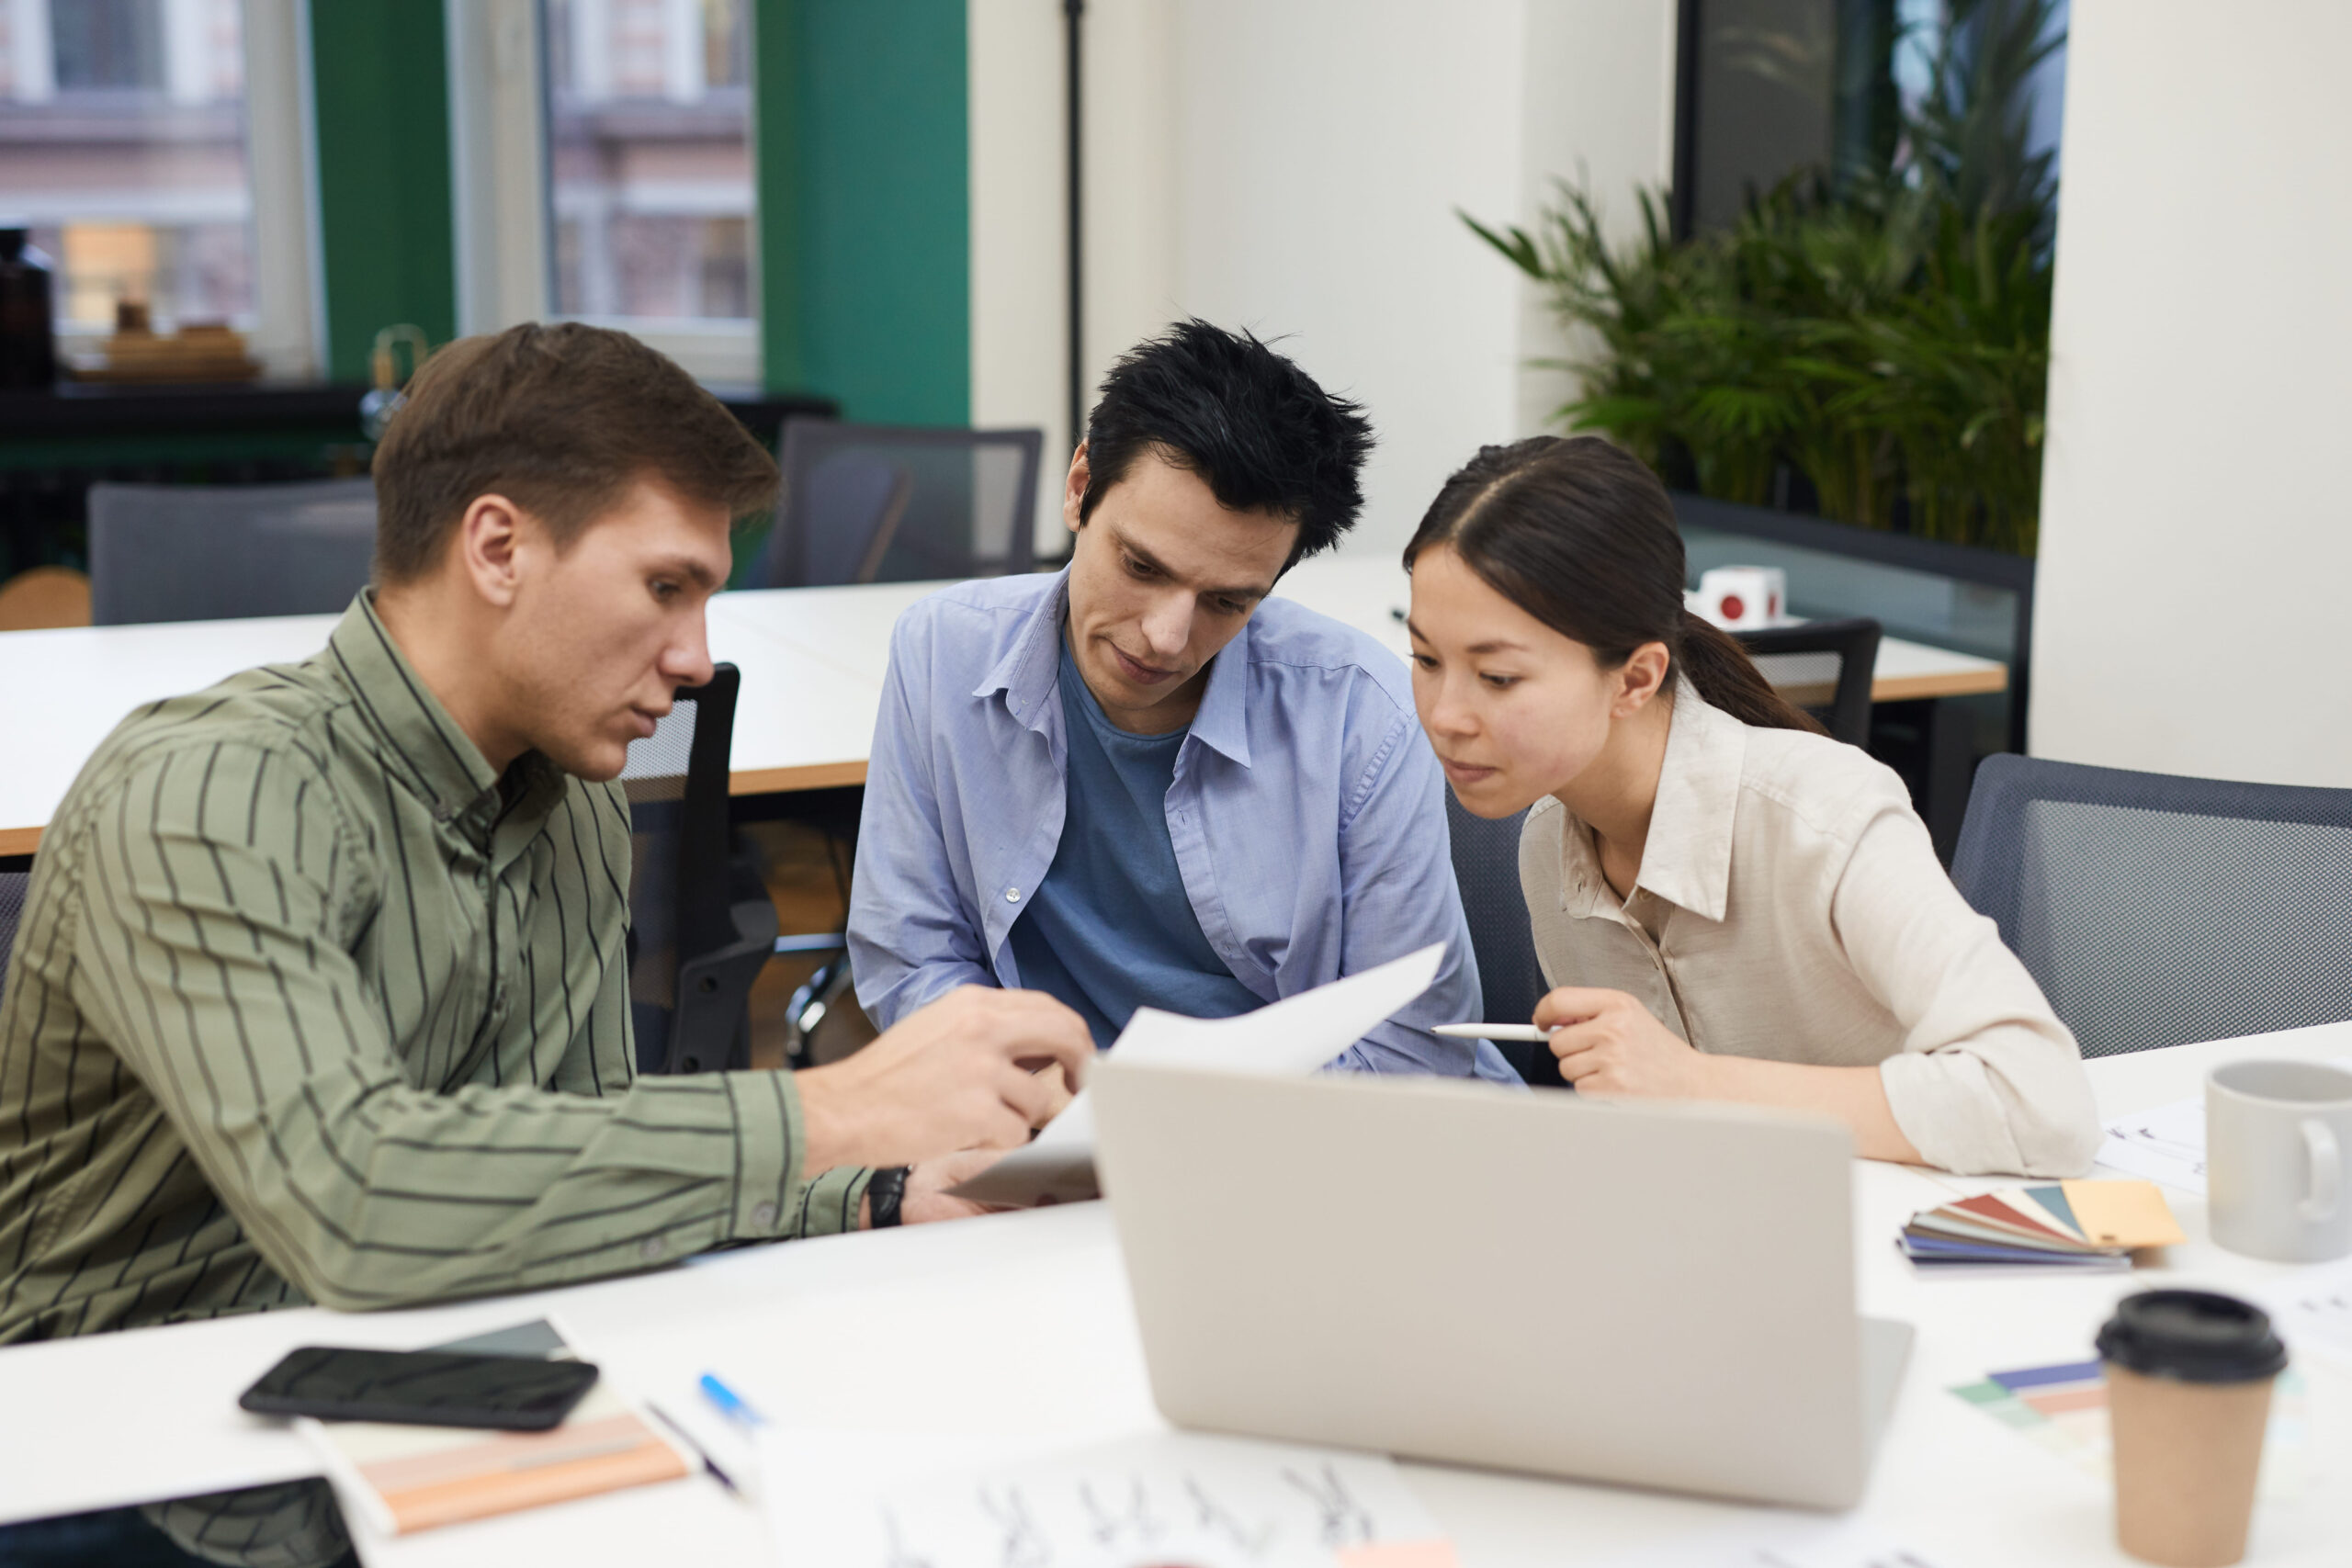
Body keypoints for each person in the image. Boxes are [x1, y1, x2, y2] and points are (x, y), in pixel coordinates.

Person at [0, 321, 1094, 1354]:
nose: (697, 659)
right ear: (496, 548)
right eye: (665, 587)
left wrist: (880, 1193)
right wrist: (842, 1108)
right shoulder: (212, 793)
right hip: (119, 1432)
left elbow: (578, 1142)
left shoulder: (570, 796)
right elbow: (358, 1203)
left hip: (409, 1358)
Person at [1401, 434, 2099, 1176]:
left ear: (1636, 678)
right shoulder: (1550, 846)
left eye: (1498, 677)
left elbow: (2042, 1101)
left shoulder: (1826, 816)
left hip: (1906, 1252)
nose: (1446, 715)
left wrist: (1693, 1083)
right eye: (1426, 660)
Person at [850, 321, 1510, 1079]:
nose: (1166, 637)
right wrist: (1035, 1105)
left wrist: (1162, 1136)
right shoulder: (941, 652)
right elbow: (910, 955)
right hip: (1038, 1120)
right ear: (1078, 488)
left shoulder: (1366, 720)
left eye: (1227, 601)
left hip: (1299, 1141)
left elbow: (1410, 1050)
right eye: (1140, 565)